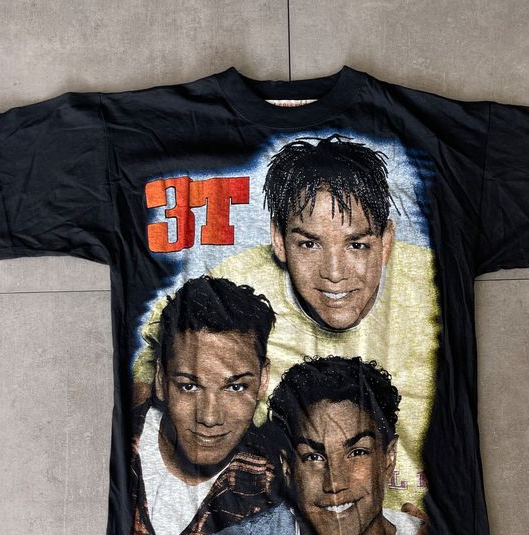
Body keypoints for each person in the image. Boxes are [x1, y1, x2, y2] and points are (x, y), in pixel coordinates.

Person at [132, 134, 440, 510]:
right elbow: (154, 363)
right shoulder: (235, 281)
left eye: (357, 245)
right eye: (309, 244)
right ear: (279, 240)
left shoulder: (434, 287)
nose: (335, 273)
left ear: (386, 241)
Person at [203, 356, 426, 535]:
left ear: (389, 458)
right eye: (313, 457)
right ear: (287, 468)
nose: (334, 483)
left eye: (357, 453)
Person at [130, 275, 278, 535]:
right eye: (189, 386)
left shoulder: (278, 482)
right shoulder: (110, 445)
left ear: (262, 380)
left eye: (235, 387)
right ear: (160, 379)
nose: (210, 418)